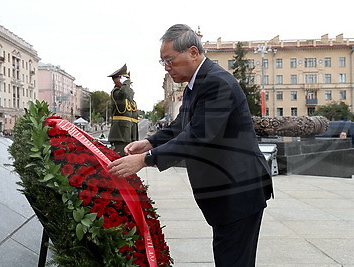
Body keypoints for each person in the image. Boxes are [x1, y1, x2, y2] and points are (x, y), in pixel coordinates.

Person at [108, 24, 273, 266]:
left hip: (238, 189)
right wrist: (148, 142)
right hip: (226, 189)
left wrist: (146, 159)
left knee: (233, 260)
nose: (166, 67)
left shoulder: (217, 82)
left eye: (169, 60)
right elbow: (180, 126)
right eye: (162, 62)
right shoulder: (197, 83)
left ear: (193, 52)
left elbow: (198, 135)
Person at [107, 64, 138, 156]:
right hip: (120, 135)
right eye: (124, 78)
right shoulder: (116, 92)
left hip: (130, 134)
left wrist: (134, 137)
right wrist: (126, 83)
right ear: (117, 79)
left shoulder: (127, 93)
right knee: (119, 160)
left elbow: (129, 94)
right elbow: (124, 93)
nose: (127, 80)